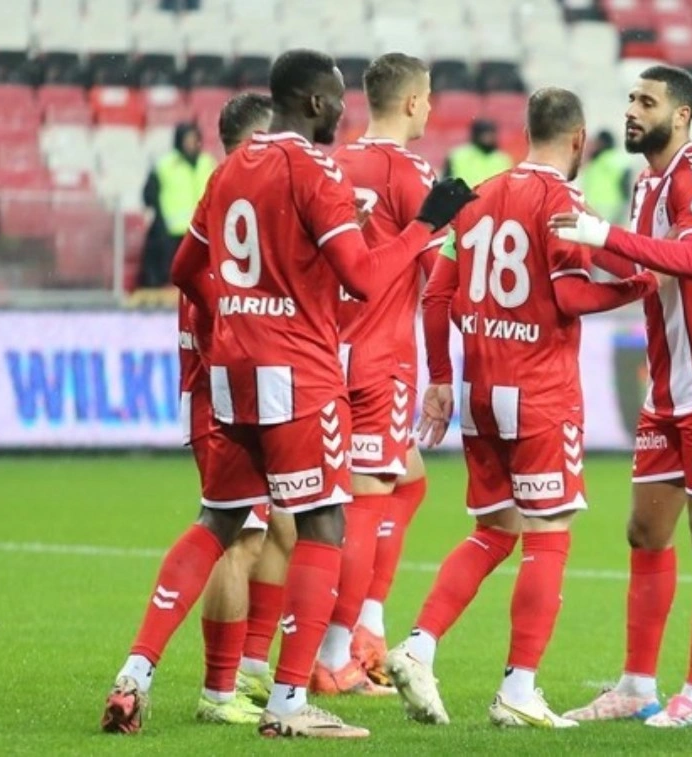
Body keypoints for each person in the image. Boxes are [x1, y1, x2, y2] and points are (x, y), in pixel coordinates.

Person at [101, 48, 475, 739]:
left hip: (231, 371)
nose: (343, 112)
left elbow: (185, 267)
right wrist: (425, 225)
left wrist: (240, 316)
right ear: (313, 102)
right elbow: (364, 278)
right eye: (337, 100)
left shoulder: (229, 169)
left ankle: (134, 674)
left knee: (218, 521)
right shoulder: (313, 168)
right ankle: (288, 702)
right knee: (324, 524)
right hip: (299, 374)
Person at [384, 87, 660, 729]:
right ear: (578, 139)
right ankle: (518, 689)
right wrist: (638, 285)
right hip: (538, 393)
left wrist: (441, 378)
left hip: (479, 392)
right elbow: (570, 297)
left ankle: (419, 648)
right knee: (549, 534)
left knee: (493, 531)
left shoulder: (476, 196)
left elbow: (436, 296)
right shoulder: (563, 202)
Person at [548, 64, 692, 728]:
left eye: (647, 101)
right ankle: (636, 686)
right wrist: (586, 240)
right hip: (669, 386)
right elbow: (644, 264)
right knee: (645, 530)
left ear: (682, 116)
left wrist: (604, 236)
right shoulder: (648, 184)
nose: (632, 110)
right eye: (630, 99)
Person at [311, 52, 442, 696]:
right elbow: (439, 278)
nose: (431, 108)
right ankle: (338, 655)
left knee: (408, 485)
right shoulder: (411, 172)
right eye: (429, 98)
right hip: (380, 360)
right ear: (414, 102)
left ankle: (367, 623)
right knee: (364, 507)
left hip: (325, 351)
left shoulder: (333, 163)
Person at [180, 92, 280, 727]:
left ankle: (247, 666)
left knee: (271, 533)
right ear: (254, 142)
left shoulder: (224, 202)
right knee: (237, 538)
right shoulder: (232, 207)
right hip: (222, 397)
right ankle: (219, 690)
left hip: (230, 392)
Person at [139, 122, 216, 288]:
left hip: (202, 231)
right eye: (188, 139)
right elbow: (148, 195)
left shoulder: (207, 163)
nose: (191, 143)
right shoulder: (165, 165)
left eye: (194, 139)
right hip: (172, 233)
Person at [580, 129, 632, 225]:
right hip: (599, 206)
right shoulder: (597, 160)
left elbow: (626, 179)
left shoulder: (610, 158)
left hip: (608, 207)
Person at [443, 118, 512, 187]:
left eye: (490, 134)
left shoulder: (503, 159)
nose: (487, 138)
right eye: (484, 134)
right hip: (465, 194)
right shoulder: (457, 156)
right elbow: (446, 184)